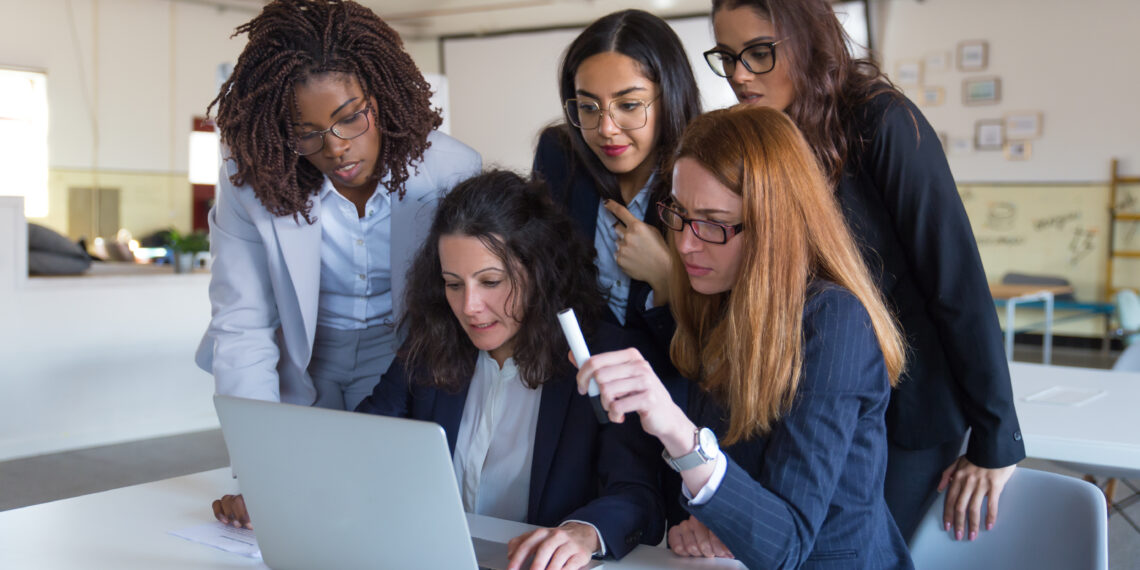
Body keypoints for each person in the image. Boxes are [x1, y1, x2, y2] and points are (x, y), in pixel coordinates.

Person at [215, 171, 665, 570]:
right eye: (453, 284)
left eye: (491, 282)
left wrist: (584, 533)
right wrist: (277, 495)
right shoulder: (431, 345)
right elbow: (361, 442)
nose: (469, 307)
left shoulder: (602, 353)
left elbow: (637, 493)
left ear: (539, 272)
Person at [704, 0, 1024, 542]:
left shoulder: (881, 119)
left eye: (759, 53)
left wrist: (997, 441)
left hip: (908, 412)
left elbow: (956, 279)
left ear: (807, 37)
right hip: (814, 406)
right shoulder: (763, 134)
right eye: (728, 56)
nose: (739, 74)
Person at [575, 106, 913, 568]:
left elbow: (787, 544)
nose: (686, 243)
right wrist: (718, 520)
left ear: (775, 227)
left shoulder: (835, 321)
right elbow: (742, 496)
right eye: (679, 213)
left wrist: (677, 430)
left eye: (713, 223)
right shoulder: (718, 294)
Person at [194, 0, 481, 411]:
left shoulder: (451, 169)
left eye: (349, 118)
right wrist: (255, 442)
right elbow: (242, 321)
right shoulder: (254, 177)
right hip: (303, 353)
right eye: (307, 133)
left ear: (377, 102)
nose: (336, 148)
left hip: (406, 351)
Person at [533, 9, 700, 349]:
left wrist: (666, 279)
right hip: (574, 383)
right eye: (589, 107)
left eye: (628, 104)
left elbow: (712, 353)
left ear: (670, 97)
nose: (606, 129)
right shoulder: (559, 156)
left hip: (669, 393)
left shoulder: (706, 177)